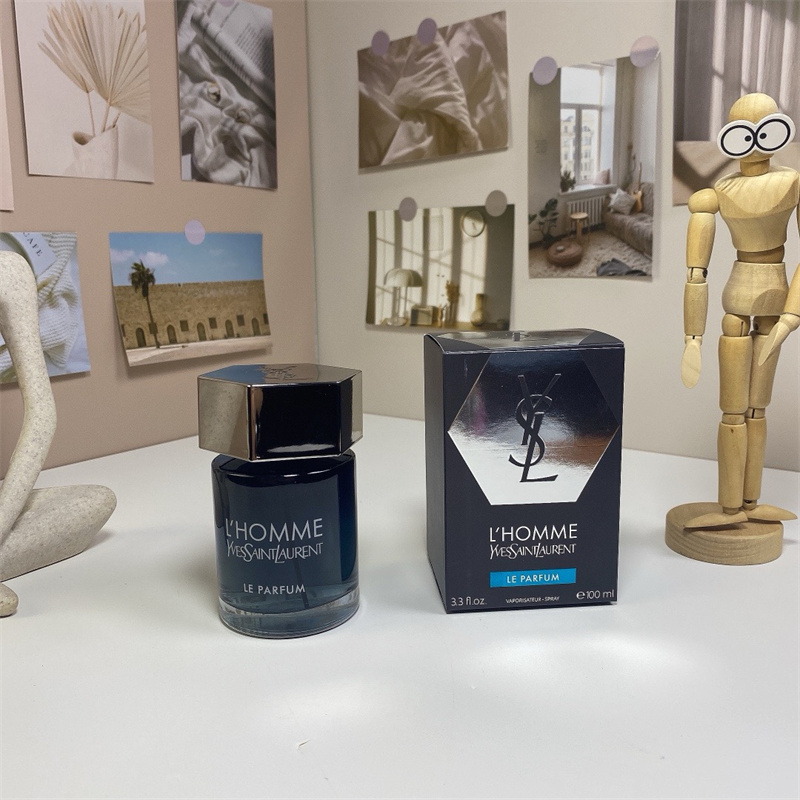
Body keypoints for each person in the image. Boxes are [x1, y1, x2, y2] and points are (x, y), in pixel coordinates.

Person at [681, 92, 799, 530]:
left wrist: (791, 316)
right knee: (734, 411)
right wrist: (692, 337)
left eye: (763, 131)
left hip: (775, 303)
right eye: (742, 134)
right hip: (738, 300)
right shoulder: (717, 193)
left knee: (757, 410)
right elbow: (696, 272)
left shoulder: (791, 182)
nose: (753, 142)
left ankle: (749, 502)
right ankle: (730, 507)